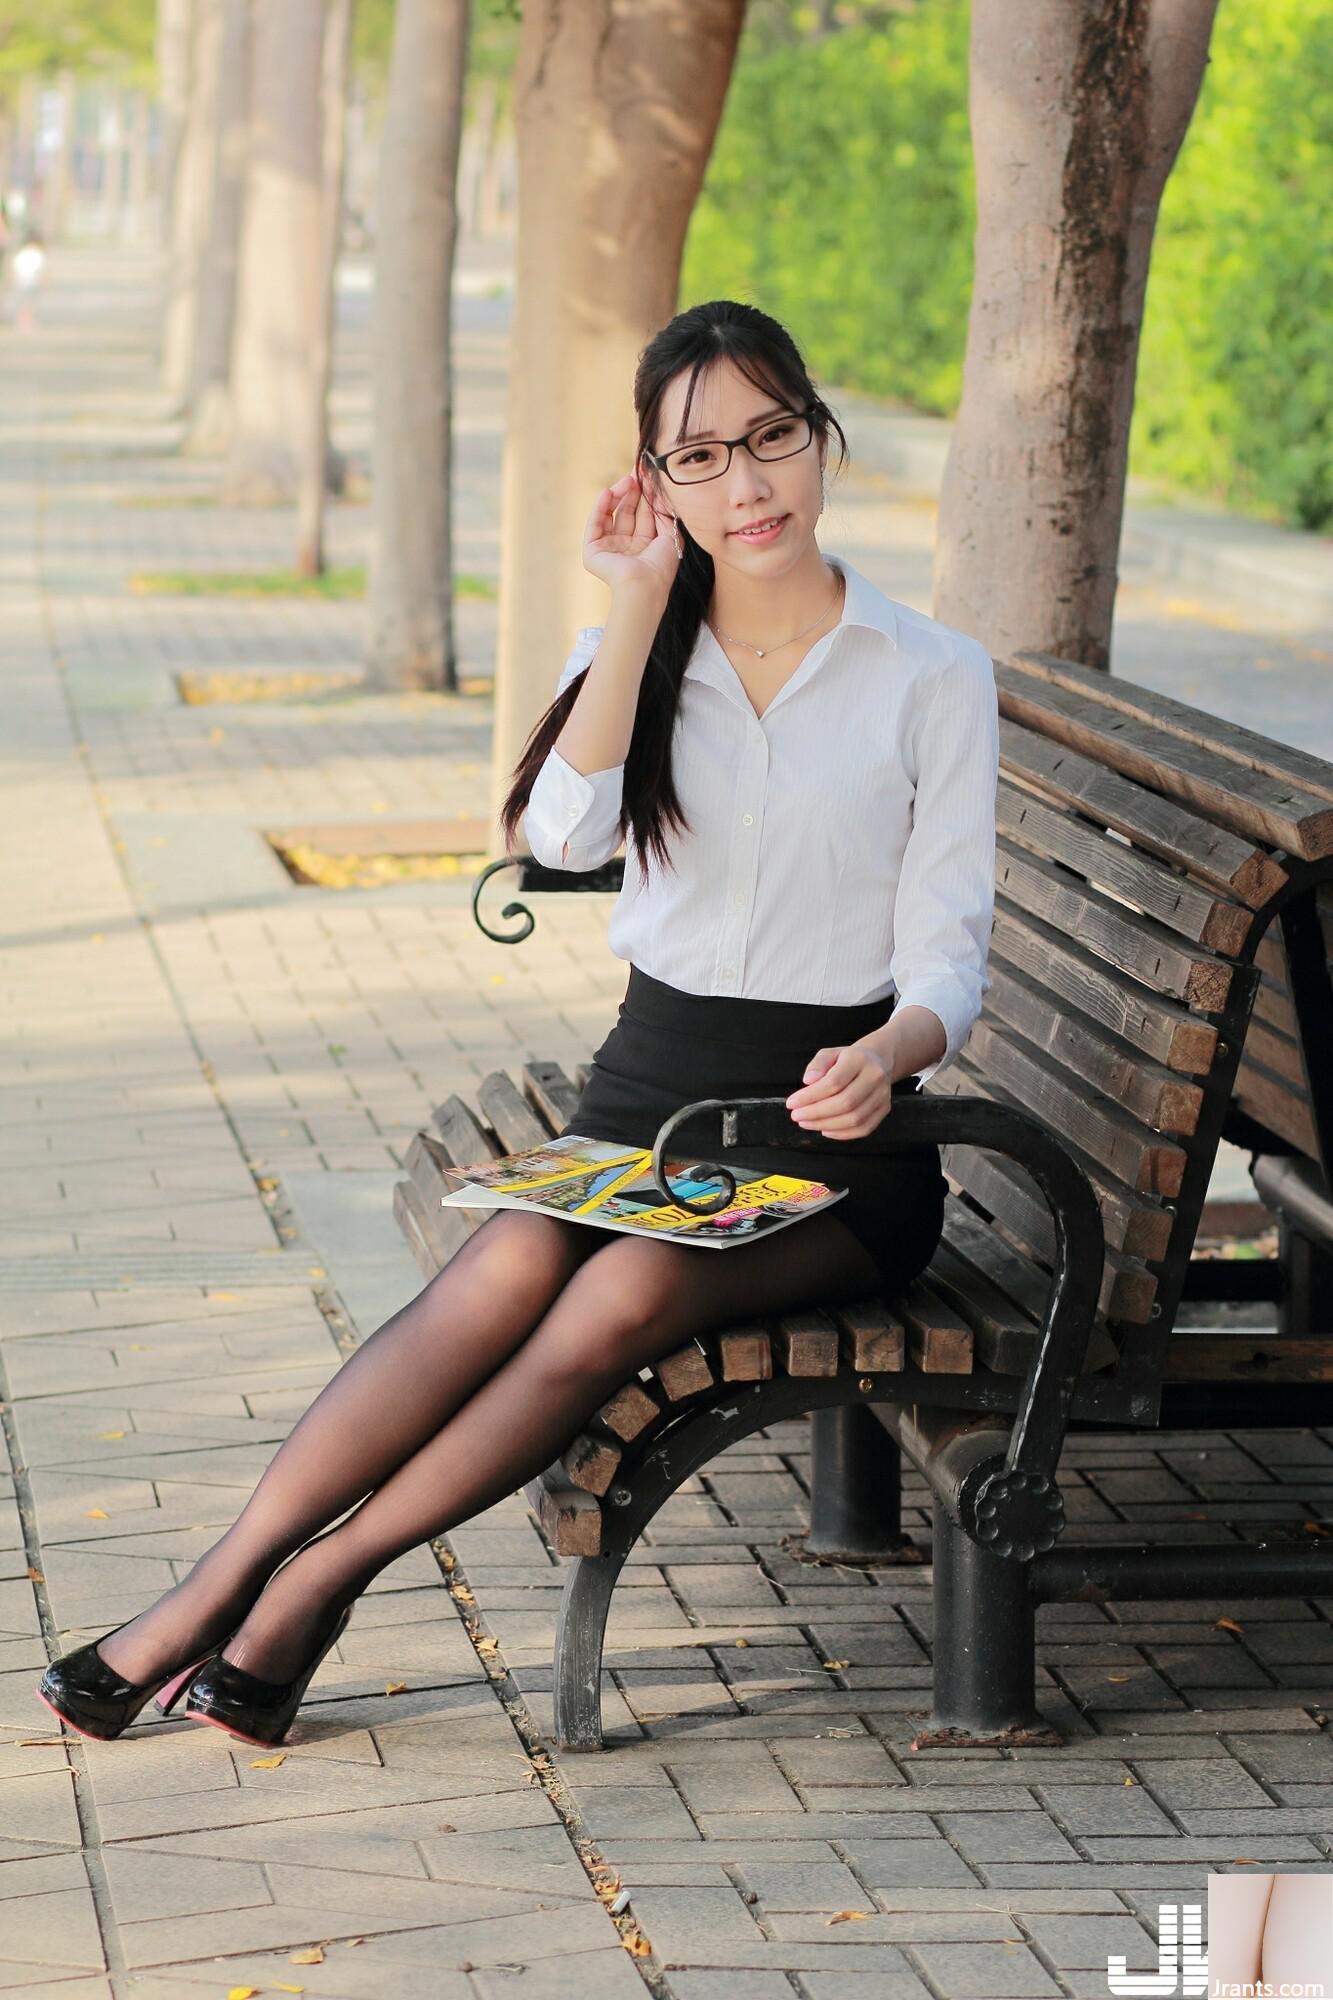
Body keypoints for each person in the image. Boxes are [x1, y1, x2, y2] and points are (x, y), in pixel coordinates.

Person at [37, 298, 999, 1749]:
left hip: (827, 1144)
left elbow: (949, 947)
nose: (747, 486)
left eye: (772, 438)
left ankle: (313, 1584)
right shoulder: (629, 647)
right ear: (655, 482)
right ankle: (213, 1591)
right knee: (497, 1283)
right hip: (648, 1104)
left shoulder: (929, 673)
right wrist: (626, 607)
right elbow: (562, 828)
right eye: (700, 457)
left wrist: (892, 1051)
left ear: (820, 436)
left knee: (612, 1300)